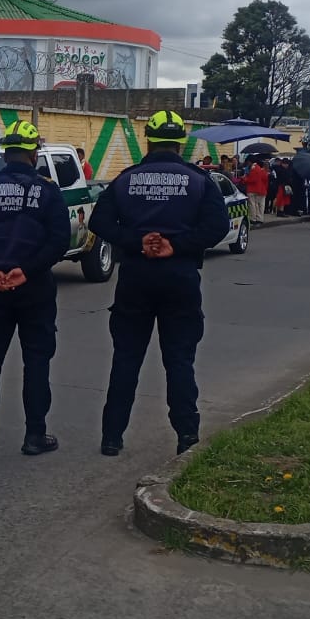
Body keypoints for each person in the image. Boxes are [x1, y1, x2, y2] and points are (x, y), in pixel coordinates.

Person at [90, 110, 230, 458]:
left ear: (148, 141)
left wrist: (137, 242)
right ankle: (186, 436)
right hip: (180, 277)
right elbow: (217, 227)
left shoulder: (126, 179)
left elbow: (99, 221)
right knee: (179, 361)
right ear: (180, 143)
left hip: (136, 278)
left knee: (126, 358)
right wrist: (177, 245)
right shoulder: (199, 180)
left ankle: (112, 437)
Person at [0, 120, 70, 456]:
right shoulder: (48, 191)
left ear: (6, 153)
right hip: (35, 288)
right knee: (37, 362)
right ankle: (35, 436)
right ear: (34, 154)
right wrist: (27, 271)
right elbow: (59, 241)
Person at [243, 158, 269, 222]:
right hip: (262, 190)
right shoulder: (263, 171)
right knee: (260, 205)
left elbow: (252, 180)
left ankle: (253, 218)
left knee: (252, 205)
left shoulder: (254, 168)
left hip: (252, 189)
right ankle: (260, 218)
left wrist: (244, 179)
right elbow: (265, 180)